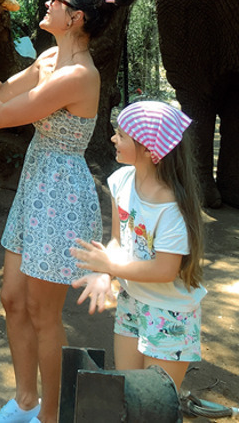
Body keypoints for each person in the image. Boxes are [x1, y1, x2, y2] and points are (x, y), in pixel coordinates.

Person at [0, 0, 135, 423]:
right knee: (12, 298)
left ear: (76, 17)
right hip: (36, 183)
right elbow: (5, 92)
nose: (49, 2)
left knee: (42, 312)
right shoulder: (50, 57)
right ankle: (24, 401)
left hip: (61, 193)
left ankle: (51, 415)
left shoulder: (79, 75)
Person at [71, 100, 206, 390]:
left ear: (148, 149)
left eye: (121, 134)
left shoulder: (172, 207)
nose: (112, 138)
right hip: (132, 302)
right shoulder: (120, 181)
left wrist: (110, 266)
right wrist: (106, 273)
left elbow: (164, 270)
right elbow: (119, 241)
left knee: (155, 406)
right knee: (128, 395)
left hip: (170, 313)